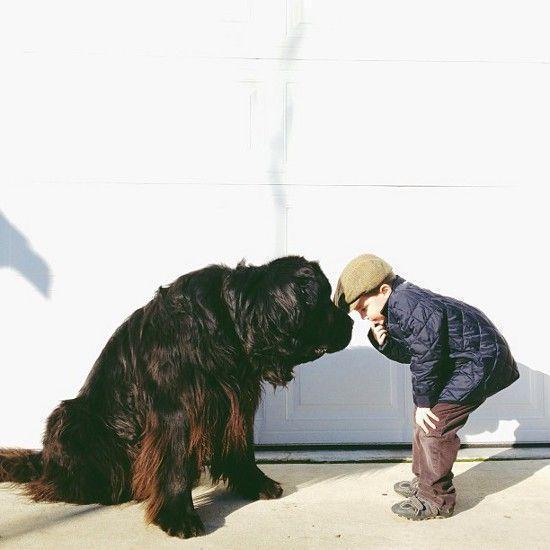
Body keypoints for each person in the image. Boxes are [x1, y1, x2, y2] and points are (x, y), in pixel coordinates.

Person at [333, 253, 519, 520]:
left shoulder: (408, 304)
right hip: (467, 361)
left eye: (363, 307)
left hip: (480, 361)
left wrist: (423, 402)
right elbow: (415, 352)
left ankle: (436, 500)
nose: (362, 315)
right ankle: (424, 484)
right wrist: (384, 341)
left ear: (383, 290)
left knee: (435, 425)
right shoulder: (399, 303)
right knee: (426, 420)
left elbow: (426, 357)